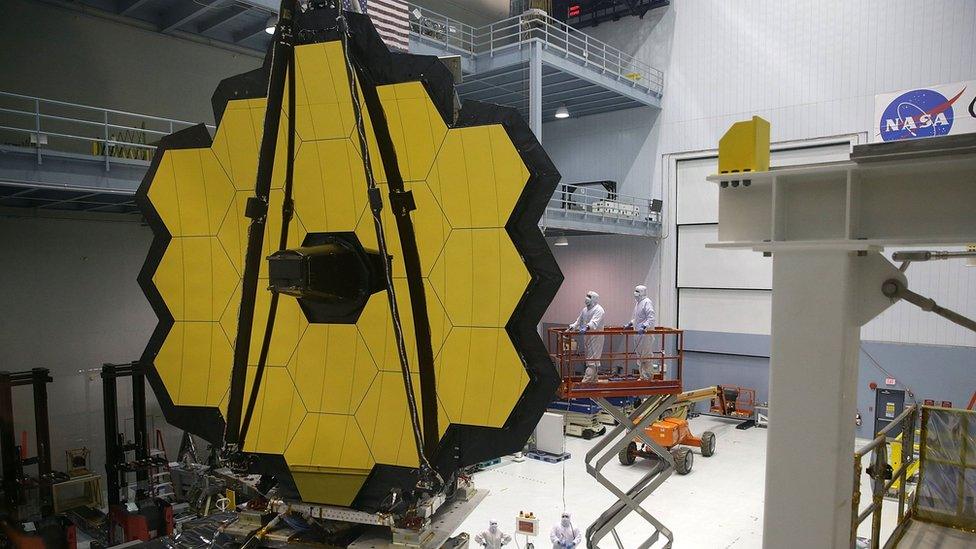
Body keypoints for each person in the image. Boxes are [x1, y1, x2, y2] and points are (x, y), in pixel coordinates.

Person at [568, 291, 605, 383]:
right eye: (586, 296)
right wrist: (573, 326)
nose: (586, 298)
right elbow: (578, 320)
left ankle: (586, 381)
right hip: (587, 337)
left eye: (589, 296)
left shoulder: (599, 310)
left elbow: (594, 323)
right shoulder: (585, 310)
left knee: (592, 361)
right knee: (589, 360)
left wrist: (586, 327)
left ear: (594, 299)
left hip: (596, 338)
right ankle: (594, 380)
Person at [626, 285, 659, 380]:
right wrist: (630, 323)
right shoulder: (638, 303)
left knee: (646, 356)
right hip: (638, 333)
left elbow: (651, 318)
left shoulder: (647, 302)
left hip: (645, 334)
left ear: (642, 292)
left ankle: (647, 377)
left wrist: (644, 326)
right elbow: (638, 318)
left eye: (637, 291)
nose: (635, 293)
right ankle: (642, 376)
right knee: (640, 357)